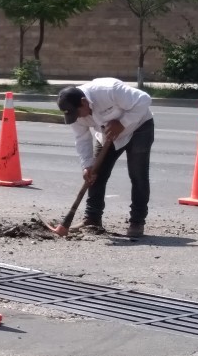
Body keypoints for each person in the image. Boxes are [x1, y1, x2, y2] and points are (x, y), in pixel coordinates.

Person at [57, 78, 154, 238]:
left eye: (78, 113)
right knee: (95, 175)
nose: (78, 118)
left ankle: (137, 221)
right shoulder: (75, 114)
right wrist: (87, 165)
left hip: (139, 128)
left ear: (84, 101)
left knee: (138, 175)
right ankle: (92, 219)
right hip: (106, 136)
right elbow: (82, 138)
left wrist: (122, 122)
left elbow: (144, 100)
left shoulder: (108, 89)